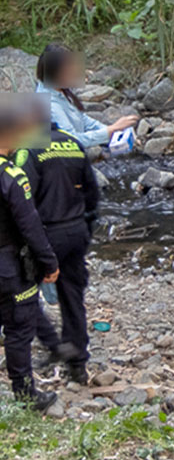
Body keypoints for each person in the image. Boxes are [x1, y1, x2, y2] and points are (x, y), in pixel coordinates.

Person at [17, 124, 99, 384]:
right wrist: (86, 225)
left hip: (46, 232)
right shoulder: (72, 143)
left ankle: (54, 344)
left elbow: (22, 196)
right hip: (76, 230)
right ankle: (78, 364)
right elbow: (93, 192)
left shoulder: (29, 148)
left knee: (22, 291)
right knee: (72, 295)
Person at [0, 95, 60, 410]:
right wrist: (49, 263)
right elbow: (31, 226)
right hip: (8, 267)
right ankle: (25, 395)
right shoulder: (11, 176)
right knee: (19, 329)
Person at [35, 43, 139, 148]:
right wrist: (111, 130)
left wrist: (116, 132)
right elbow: (71, 140)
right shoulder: (49, 104)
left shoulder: (61, 90)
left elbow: (83, 120)